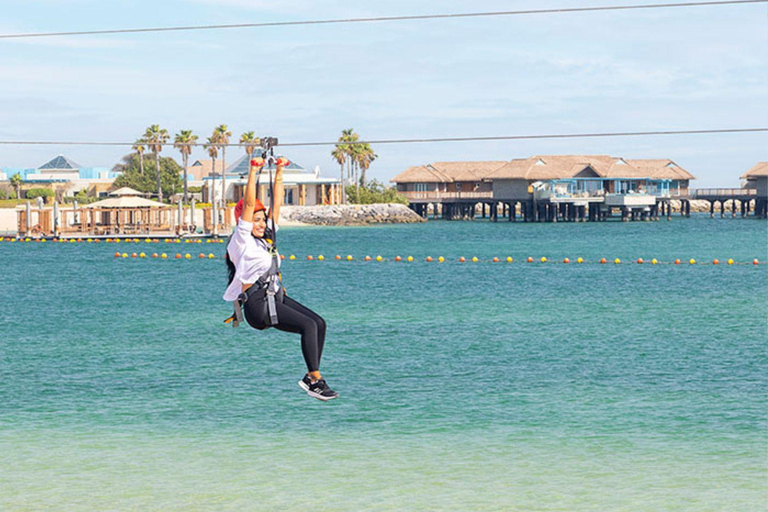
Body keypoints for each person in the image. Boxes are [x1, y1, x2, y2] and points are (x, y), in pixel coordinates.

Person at [223, 156, 338, 401]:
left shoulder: (266, 241)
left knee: (319, 323)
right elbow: (250, 205)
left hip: (276, 299)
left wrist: (278, 171)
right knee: (307, 326)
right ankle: (314, 380)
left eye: (262, 220)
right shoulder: (241, 241)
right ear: (243, 221)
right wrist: (254, 171)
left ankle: (312, 377)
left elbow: (276, 206)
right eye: (255, 219)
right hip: (258, 306)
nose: (261, 223)